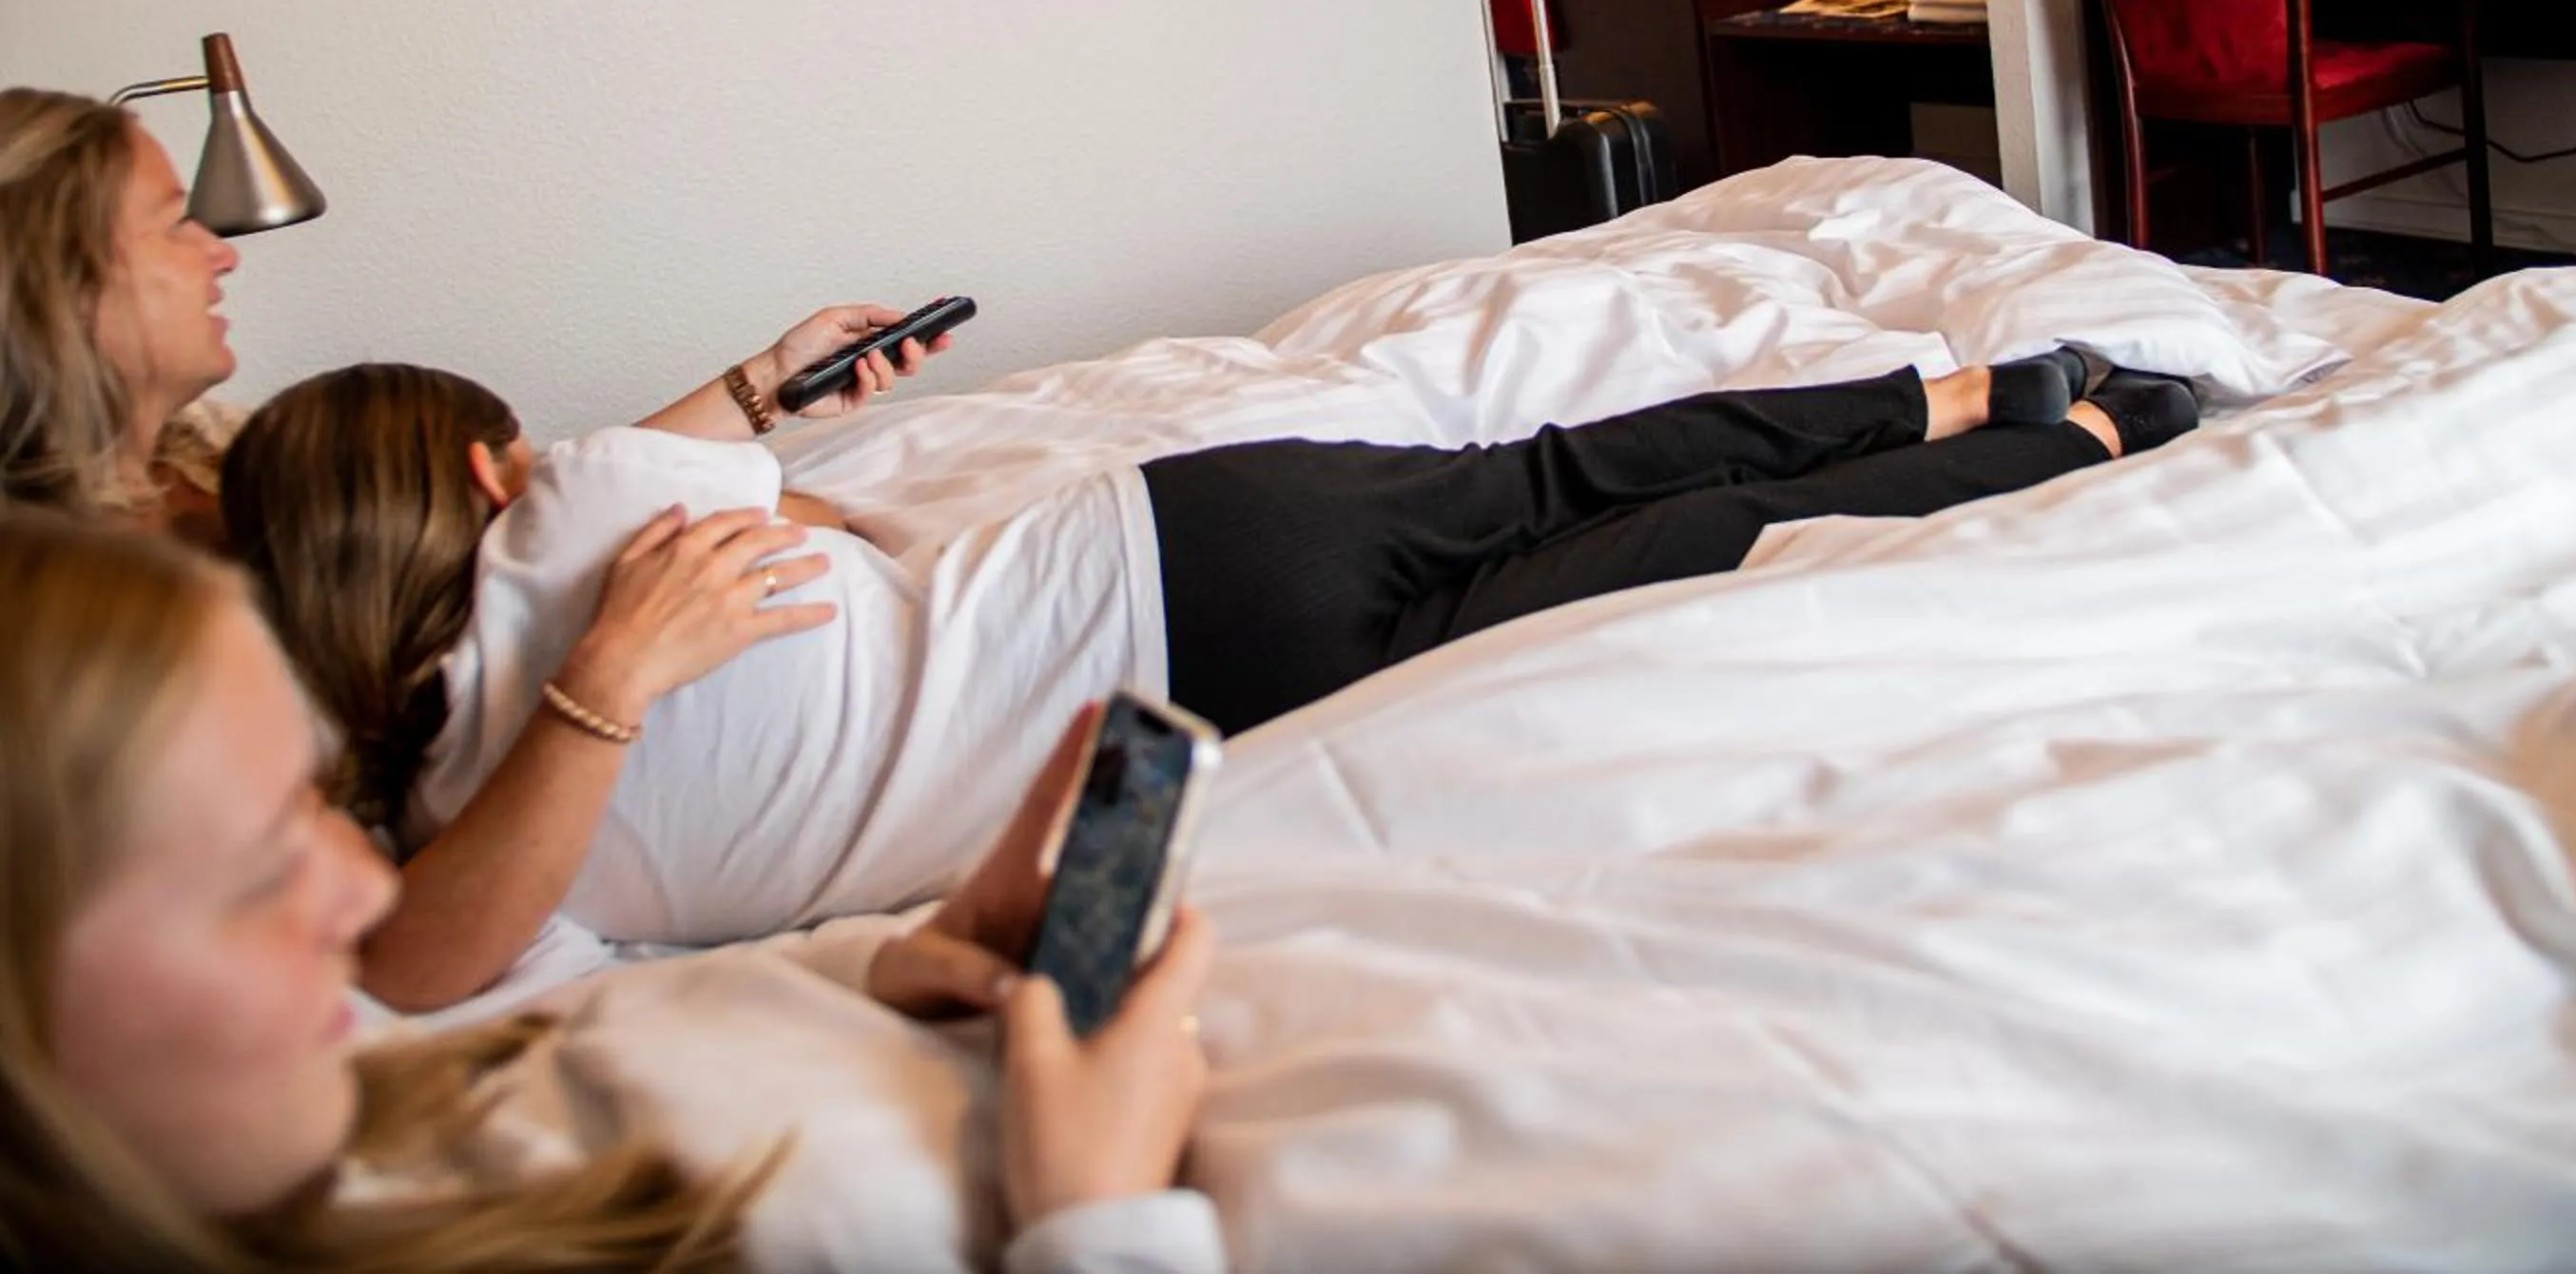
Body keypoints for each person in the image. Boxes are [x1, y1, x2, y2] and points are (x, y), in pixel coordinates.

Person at [222, 343, 2197, 1010]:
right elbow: (788, 528)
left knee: (1654, 570)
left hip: (1198, 696)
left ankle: (2079, 451)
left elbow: (415, 972)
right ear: (485, 472)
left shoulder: (464, 860)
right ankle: (1964, 382)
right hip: (1169, 530)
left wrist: (599, 714)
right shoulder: (600, 511)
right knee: (1586, 465)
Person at [0, 505, 1224, 1274]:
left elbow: (602, 1041)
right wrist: (1101, 1222)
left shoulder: (317, 1118)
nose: (364, 896)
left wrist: (883, 973)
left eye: (319, 808)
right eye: (261, 862)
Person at [0, 84, 953, 543]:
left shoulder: (210, 444)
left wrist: (771, 383)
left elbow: (524, 495)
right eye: (174, 226)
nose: (221, 251)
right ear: (63, 287)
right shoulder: (83, 597)